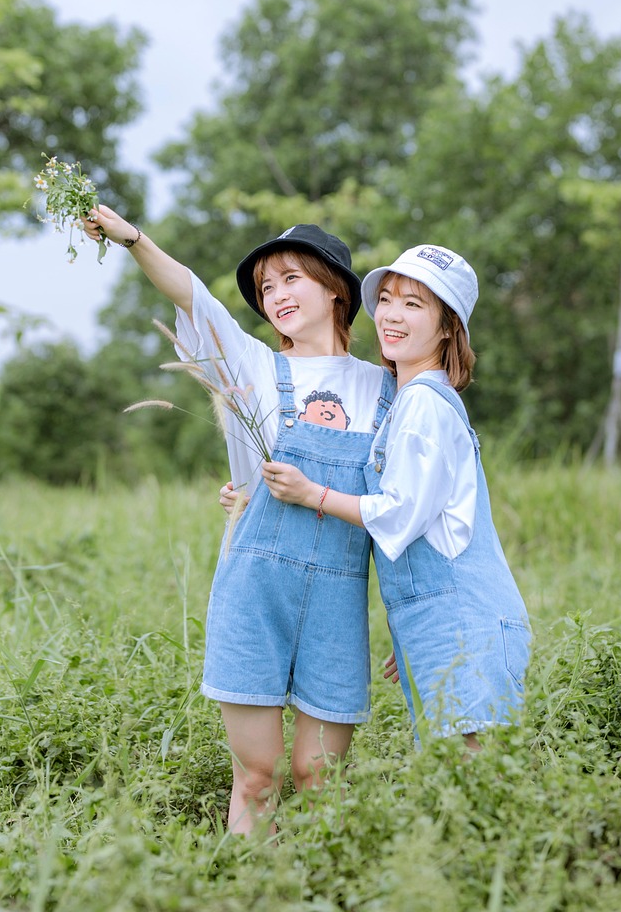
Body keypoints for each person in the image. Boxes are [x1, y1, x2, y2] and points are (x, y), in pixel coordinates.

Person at [82, 209, 395, 830]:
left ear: (336, 288)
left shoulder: (386, 387)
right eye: (265, 287)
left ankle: (319, 878)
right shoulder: (250, 365)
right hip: (255, 590)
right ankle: (246, 879)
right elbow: (190, 295)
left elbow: (405, 508)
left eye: (290, 279)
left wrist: (408, 622)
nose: (275, 295)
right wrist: (133, 239)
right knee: (258, 775)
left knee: (319, 775)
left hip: (339, 599)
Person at [263, 242, 530, 744]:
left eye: (413, 304)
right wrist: (415, 622)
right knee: (455, 775)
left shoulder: (424, 403)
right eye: (385, 299)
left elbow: (400, 514)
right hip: (438, 621)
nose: (391, 315)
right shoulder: (409, 401)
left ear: (448, 326)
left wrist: (310, 493)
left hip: (462, 622)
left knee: (473, 774)